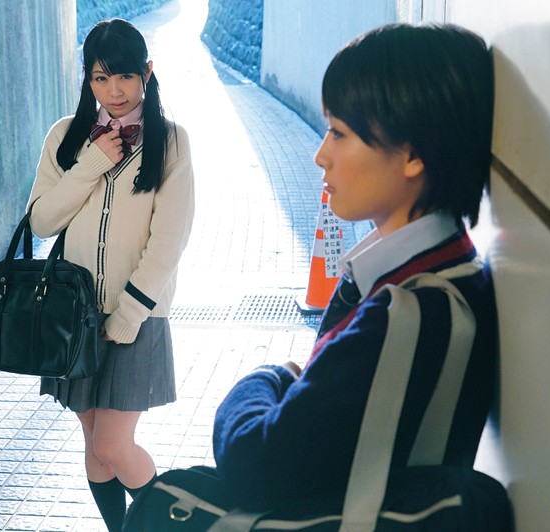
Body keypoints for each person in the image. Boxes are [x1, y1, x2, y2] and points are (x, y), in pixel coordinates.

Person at [212, 23, 497, 513]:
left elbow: (252, 463)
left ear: (413, 155)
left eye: (339, 133)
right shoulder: (441, 271)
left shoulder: (410, 314)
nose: (320, 155)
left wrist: (270, 376)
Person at [26, 18, 194, 532]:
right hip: (73, 316)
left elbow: (169, 238)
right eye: (100, 78)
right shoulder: (66, 136)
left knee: (113, 444)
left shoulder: (171, 141)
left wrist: (129, 313)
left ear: (147, 72)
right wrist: (91, 164)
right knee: (95, 447)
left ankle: (179, 525)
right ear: (88, 79)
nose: (114, 91)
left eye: (124, 76)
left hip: (135, 316)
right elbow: (41, 220)